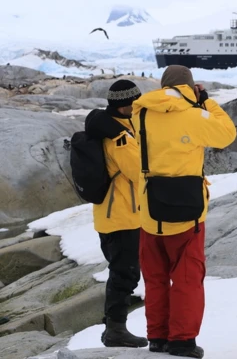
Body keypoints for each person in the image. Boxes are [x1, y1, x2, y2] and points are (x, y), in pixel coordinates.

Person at [131, 65, 237, 358]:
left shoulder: (140, 114)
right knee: (187, 277)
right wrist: (205, 102)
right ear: (189, 87)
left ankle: (157, 337)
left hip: (149, 211)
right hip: (188, 212)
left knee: (155, 277)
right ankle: (181, 341)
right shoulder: (193, 116)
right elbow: (227, 134)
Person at [84, 79, 148, 348]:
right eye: (133, 103)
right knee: (125, 272)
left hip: (122, 214)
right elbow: (137, 171)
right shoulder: (118, 136)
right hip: (120, 215)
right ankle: (115, 330)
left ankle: (114, 328)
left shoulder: (123, 126)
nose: (136, 107)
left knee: (126, 271)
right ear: (124, 105)